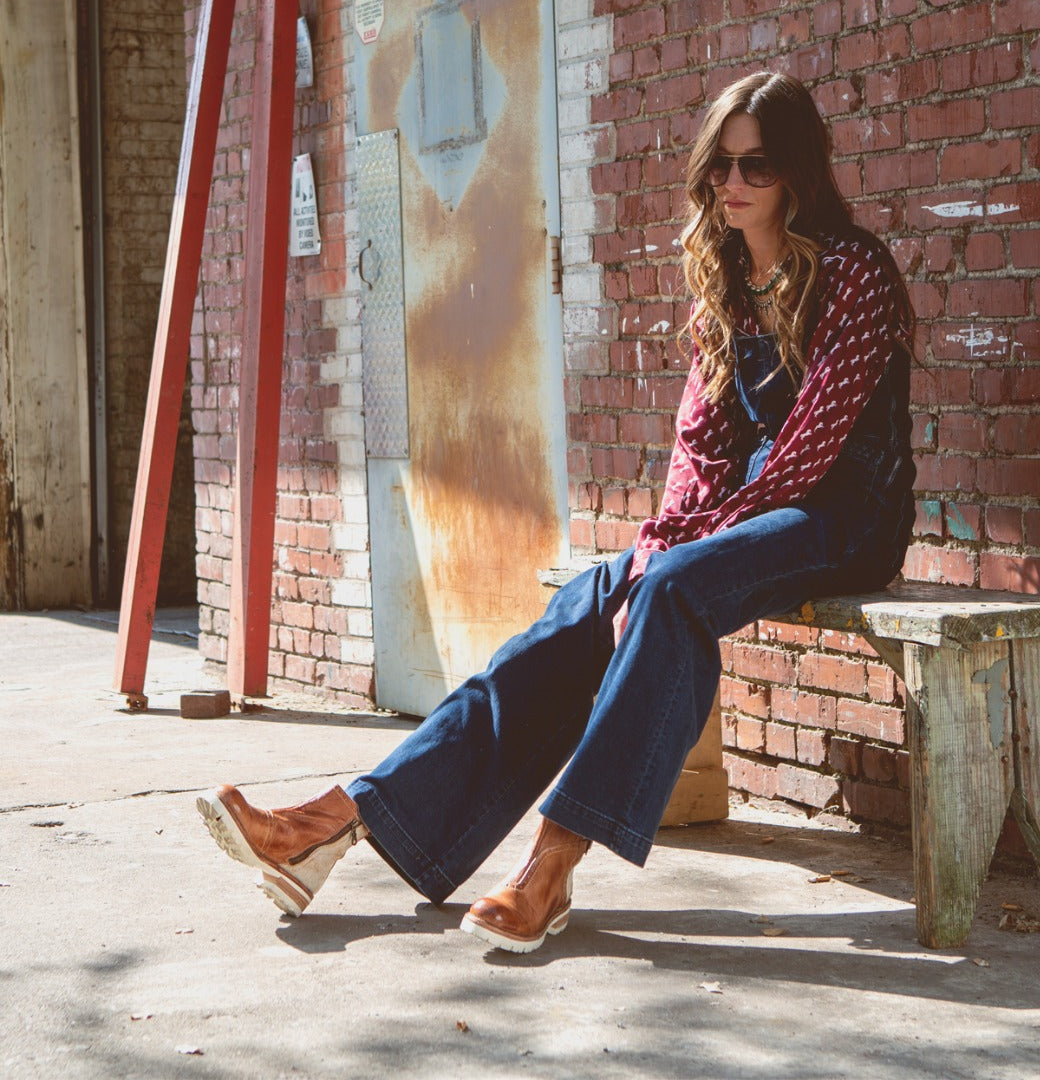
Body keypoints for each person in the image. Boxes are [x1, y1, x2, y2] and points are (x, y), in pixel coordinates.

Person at [197, 70, 916, 954]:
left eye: (757, 166)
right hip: (751, 512)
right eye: (721, 166)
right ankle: (337, 819)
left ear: (799, 172)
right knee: (589, 601)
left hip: (844, 516)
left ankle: (552, 863)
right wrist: (659, 540)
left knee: (672, 589)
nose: (733, 184)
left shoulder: (854, 271)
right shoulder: (729, 284)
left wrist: (679, 555)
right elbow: (701, 448)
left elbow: (808, 452)